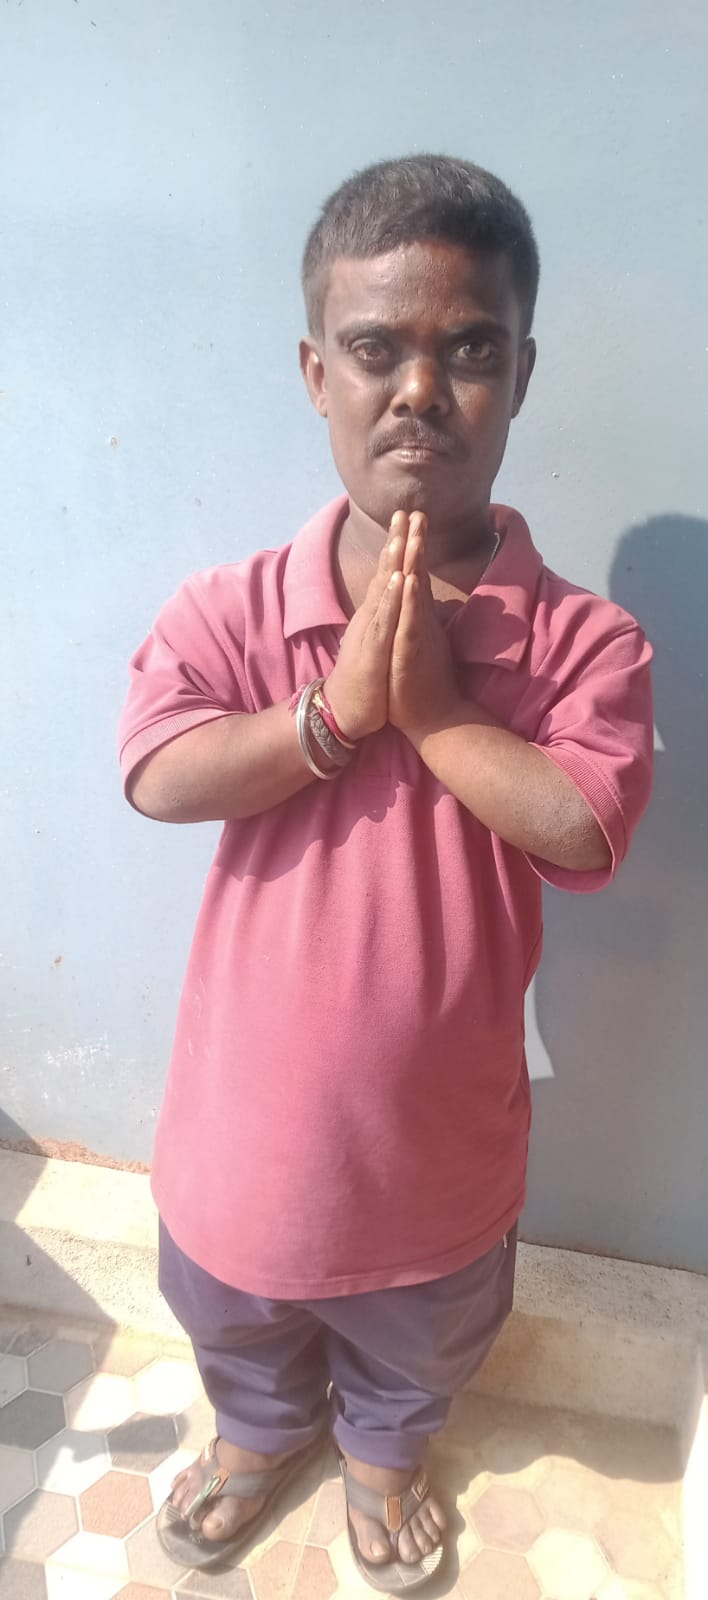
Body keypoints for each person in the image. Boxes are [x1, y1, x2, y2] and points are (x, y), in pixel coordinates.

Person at [118, 154, 654, 1593]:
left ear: (521, 375)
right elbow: (157, 769)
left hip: (439, 1150)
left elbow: (585, 827)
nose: (419, 390)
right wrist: (331, 714)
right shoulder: (236, 608)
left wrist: (433, 714)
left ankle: (384, 1455)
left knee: (426, 1332)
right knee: (231, 1309)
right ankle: (257, 1433)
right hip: (243, 1137)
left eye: (468, 349)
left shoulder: (584, 644)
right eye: (374, 349)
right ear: (317, 374)